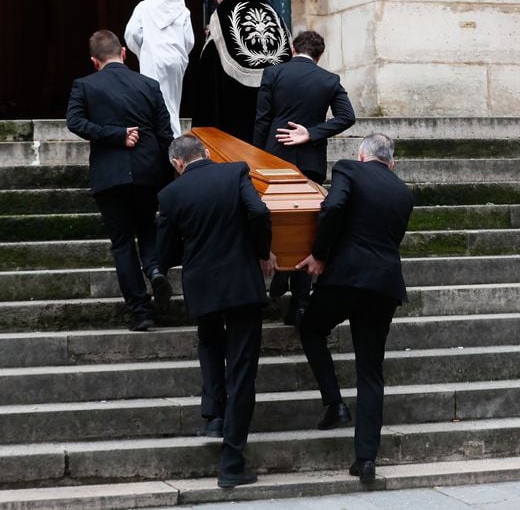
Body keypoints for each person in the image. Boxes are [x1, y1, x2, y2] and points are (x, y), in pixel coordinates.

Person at [156, 134, 276, 489]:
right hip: (241, 282)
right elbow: (258, 212)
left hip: (202, 285)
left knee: (208, 343)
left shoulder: (170, 194)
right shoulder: (235, 172)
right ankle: (231, 461)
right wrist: (262, 251)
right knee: (242, 371)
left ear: (177, 164)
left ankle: (213, 415)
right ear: (206, 153)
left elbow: (165, 251)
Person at [296, 134, 414, 484]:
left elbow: (332, 208)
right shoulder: (403, 192)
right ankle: (365, 460)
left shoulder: (348, 169)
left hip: (346, 277)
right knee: (371, 372)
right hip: (384, 285)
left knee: (311, 327)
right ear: (390, 162)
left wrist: (319, 254)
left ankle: (334, 402)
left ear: (362, 155)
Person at [66, 30, 174, 332]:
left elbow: (74, 122)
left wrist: (113, 134)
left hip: (109, 175)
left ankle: (141, 312)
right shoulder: (149, 85)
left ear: (94, 61)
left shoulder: (84, 85)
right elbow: (165, 134)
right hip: (147, 170)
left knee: (123, 243)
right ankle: (154, 269)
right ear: (124, 52)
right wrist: (169, 173)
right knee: (148, 229)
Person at [254, 30, 356, 325]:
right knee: (305, 230)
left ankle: (278, 277)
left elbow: (262, 119)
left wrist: (255, 156)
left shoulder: (273, 73)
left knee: (275, 222)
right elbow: (347, 116)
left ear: (291, 48)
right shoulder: (328, 80)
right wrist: (311, 133)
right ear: (319, 55)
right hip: (309, 162)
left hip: (274, 159)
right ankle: (299, 305)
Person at [193, 0, 292, 143]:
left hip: (239, 110)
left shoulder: (222, 13)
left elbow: (209, 64)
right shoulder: (269, 6)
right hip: (279, 97)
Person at [125, 0, 194, 138]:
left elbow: (131, 33)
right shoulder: (183, 10)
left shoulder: (144, 7)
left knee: (152, 103)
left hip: (153, 58)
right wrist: (179, 54)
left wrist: (144, 50)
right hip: (175, 59)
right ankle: (174, 139)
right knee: (172, 102)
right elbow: (189, 40)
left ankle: (161, 141)